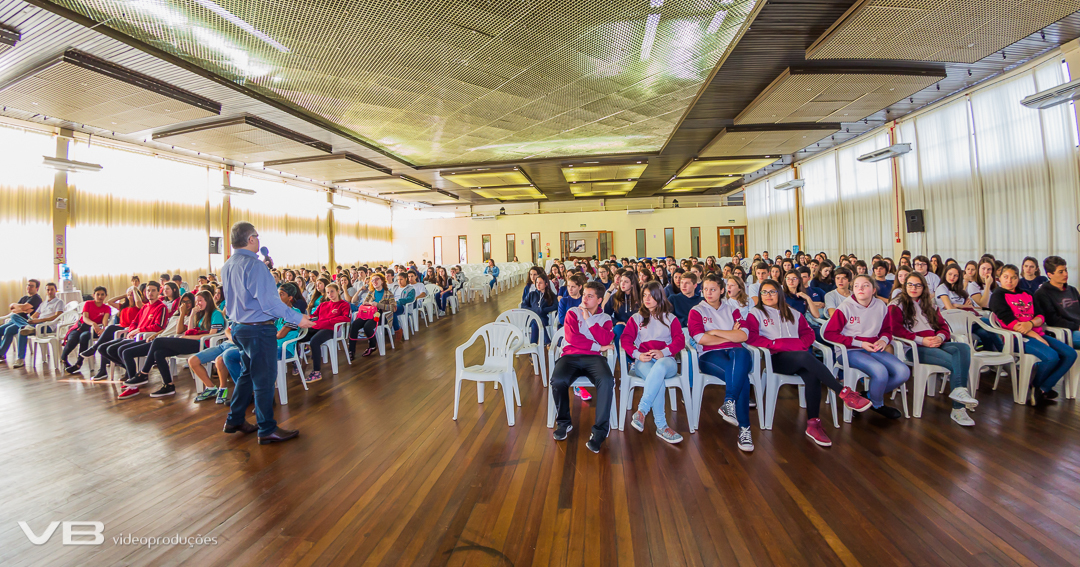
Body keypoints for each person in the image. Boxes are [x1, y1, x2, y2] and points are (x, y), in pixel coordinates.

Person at [744, 279, 871, 446]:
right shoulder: (755, 313)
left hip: (800, 358)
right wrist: (779, 344)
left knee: (812, 374)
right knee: (805, 357)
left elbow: (808, 334)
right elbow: (752, 338)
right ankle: (844, 392)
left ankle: (813, 423)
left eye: (772, 292)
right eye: (764, 292)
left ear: (779, 294)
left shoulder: (794, 313)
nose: (768, 295)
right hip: (775, 359)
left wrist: (800, 344)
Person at [219, 221, 312, 444]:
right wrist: (299, 318)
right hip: (259, 330)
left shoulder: (229, 264)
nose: (259, 240)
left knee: (247, 374)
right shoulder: (255, 267)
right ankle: (267, 428)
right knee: (264, 379)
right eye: (257, 237)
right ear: (251, 239)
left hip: (240, 327)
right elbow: (270, 304)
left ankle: (235, 419)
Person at [889, 272, 979, 426]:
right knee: (954, 361)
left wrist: (940, 338)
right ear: (905, 286)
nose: (914, 288)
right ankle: (959, 408)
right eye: (910, 284)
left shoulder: (930, 304)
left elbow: (943, 328)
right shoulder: (896, 305)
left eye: (918, 285)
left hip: (935, 342)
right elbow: (896, 331)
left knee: (962, 348)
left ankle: (959, 393)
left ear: (924, 287)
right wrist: (921, 340)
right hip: (913, 347)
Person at [823, 274, 909, 419]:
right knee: (880, 371)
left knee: (903, 372)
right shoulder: (845, 307)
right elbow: (829, 333)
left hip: (873, 349)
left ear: (874, 290)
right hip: (849, 351)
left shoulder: (881, 306)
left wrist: (883, 340)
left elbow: (887, 330)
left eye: (865, 285)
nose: (860, 289)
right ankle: (878, 404)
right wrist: (859, 343)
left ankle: (865, 397)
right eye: (856, 286)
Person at [990, 264, 1077, 406]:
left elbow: (1041, 316)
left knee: (1070, 354)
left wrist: (1030, 323)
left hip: (1036, 332)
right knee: (1051, 357)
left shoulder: (1027, 294)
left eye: (1013, 277)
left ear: (1018, 278)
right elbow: (1011, 323)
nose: (1009, 281)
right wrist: (1035, 335)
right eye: (1006, 277)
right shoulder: (998, 296)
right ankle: (1038, 388)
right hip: (1016, 338)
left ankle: (1041, 388)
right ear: (1000, 278)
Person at [689, 274, 754, 451]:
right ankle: (744, 428)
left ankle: (729, 402)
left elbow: (743, 335)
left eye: (713, 289)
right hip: (709, 356)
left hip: (734, 353)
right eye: (705, 289)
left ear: (722, 291)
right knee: (743, 377)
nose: (708, 293)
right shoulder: (696, 311)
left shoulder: (732, 310)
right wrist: (728, 334)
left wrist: (715, 332)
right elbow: (700, 339)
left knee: (742, 352)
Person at [550, 282, 616, 452]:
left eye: (590, 296)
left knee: (607, 380)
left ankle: (600, 431)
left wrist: (589, 320)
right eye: (584, 294)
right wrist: (598, 347)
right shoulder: (572, 313)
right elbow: (572, 338)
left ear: (600, 300)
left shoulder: (605, 319)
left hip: (593, 359)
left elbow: (605, 339)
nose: (584, 299)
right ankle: (564, 423)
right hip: (570, 356)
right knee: (558, 380)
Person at [130, 290, 226, 398]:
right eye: (196, 301)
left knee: (158, 341)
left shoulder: (216, 313)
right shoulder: (201, 314)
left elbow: (211, 335)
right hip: (192, 341)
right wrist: (193, 315)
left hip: (203, 345)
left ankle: (144, 373)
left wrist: (187, 337)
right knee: (158, 353)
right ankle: (168, 386)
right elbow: (190, 330)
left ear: (208, 301)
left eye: (200, 300)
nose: (198, 303)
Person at [624, 282, 686, 444]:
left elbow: (680, 340)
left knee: (659, 368)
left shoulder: (670, 318)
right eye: (644, 295)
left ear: (659, 297)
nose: (647, 299)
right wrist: (637, 354)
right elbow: (625, 340)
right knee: (657, 379)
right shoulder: (636, 318)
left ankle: (642, 410)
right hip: (643, 361)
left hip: (667, 361)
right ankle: (662, 426)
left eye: (651, 296)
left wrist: (664, 352)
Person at [93, 281, 167, 382]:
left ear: (159, 292)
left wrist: (138, 330)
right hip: (134, 336)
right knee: (103, 348)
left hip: (145, 339)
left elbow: (159, 326)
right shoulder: (145, 307)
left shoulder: (161, 307)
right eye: (148, 291)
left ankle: (132, 378)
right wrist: (131, 331)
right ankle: (129, 369)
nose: (150, 293)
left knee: (122, 350)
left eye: (153, 291)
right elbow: (134, 322)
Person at [11, 282, 64, 368]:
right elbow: (34, 315)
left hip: (47, 326)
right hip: (36, 324)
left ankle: (20, 358)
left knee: (22, 330)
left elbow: (57, 316)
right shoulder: (43, 303)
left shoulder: (59, 302)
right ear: (46, 291)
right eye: (48, 290)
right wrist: (31, 320)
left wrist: (39, 320)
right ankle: (25, 326)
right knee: (14, 316)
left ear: (55, 290)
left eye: (52, 290)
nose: (50, 292)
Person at [62, 287, 112, 374]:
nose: (100, 296)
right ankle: (64, 358)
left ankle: (79, 363)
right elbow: (85, 318)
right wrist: (93, 323)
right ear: (94, 295)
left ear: (106, 296)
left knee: (84, 337)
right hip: (81, 326)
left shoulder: (106, 308)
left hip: (92, 331)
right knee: (72, 340)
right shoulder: (88, 304)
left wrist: (104, 329)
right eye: (98, 294)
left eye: (102, 294)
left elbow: (105, 321)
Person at [1034, 256, 1080, 344]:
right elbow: (1053, 320)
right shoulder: (1042, 293)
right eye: (1061, 272)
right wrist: (1077, 327)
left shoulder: (1072, 290)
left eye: (1066, 270)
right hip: (1066, 331)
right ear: (1050, 275)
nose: (1065, 274)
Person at [0, 279, 43, 361]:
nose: (29, 287)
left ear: (37, 288)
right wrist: (19, 307)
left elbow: (22, 308)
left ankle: (1, 353)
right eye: (28, 285)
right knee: (1, 328)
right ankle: (1, 351)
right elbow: (13, 310)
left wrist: (20, 307)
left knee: (9, 329)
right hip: (16, 320)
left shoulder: (36, 298)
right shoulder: (24, 298)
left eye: (32, 286)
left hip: (24, 321)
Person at [604, 271, 641, 346]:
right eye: (621, 281)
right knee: (618, 329)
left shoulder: (641, 297)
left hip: (638, 328)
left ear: (632, 284)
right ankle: (623, 358)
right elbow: (605, 314)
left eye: (626, 282)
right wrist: (616, 322)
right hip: (622, 327)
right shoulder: (615, 297)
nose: (622, 284)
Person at [521, 272, 558, 344]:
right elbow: (523, 305)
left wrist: (543, 310)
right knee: (536, 320)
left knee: (536, 323)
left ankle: (533, 347)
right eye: (537, 282)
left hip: (543, 318)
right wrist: (535, 310)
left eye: (540, 283)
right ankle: (547, 341)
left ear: (546, 284)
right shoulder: (532, 294)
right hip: (530, 318)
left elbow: (555, 306)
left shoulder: (551, 295)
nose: (538, 284)